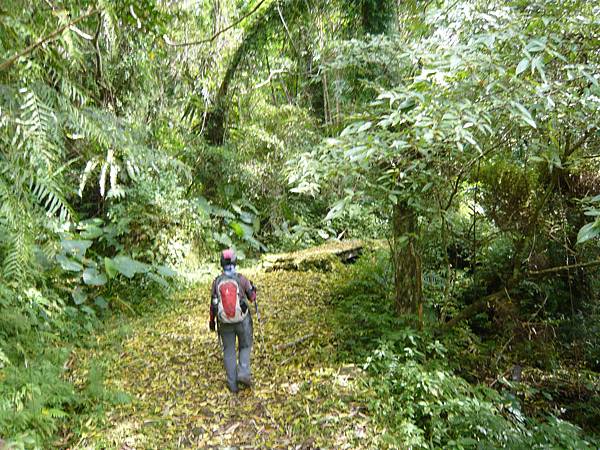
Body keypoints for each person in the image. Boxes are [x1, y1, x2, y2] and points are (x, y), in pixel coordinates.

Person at [209, 249, 256, 393]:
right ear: (235, 262)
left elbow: (213, 305)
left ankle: (233, 385)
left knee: (229, 351)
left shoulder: (217, 281)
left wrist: (212, 322)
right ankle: (243, 372)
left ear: (221, 264)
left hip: (224, 323)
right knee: (245, 346)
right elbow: (252, 297)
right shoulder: (241, 279)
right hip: (242, 320)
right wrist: (252, 289)